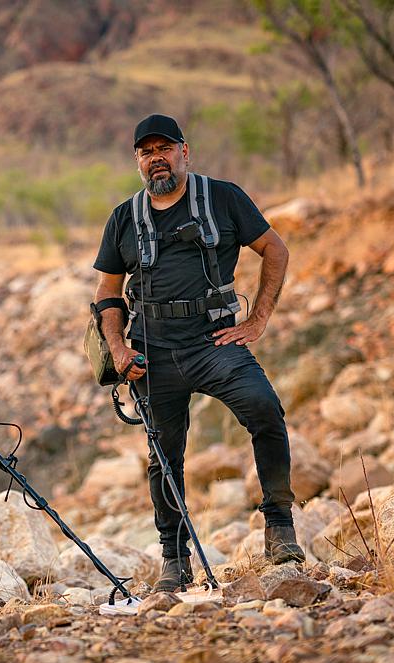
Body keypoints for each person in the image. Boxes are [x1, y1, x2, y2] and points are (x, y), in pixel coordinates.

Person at [93, 114, 305, 592]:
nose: (156, 158)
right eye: (146, 152)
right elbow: (107, 291)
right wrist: (118, 347)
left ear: (184, 151)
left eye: (164, 148)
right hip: (152, 350)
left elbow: (275, 249)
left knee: (265, 410)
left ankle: (280, 528)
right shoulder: (124, 217)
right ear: (137, 160)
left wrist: (258, 320)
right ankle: (174, 559)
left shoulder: (223, 198)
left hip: (214, 342)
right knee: (163, 456)